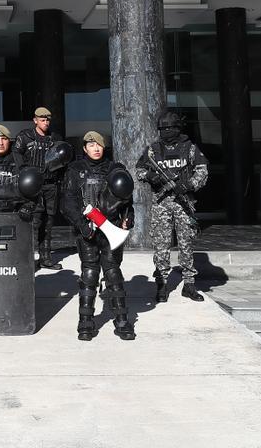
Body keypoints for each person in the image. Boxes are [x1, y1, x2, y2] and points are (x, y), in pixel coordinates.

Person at [61, 132, 135, 341]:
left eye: (99, 145)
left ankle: (122, 321)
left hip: (110, 229)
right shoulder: (75, 170)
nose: (96, 148)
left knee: (113, 273)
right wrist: (82, 225)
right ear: (84, 148)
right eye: (91, 145)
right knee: (89, 274)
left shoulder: (115, 168)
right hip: (88, 231)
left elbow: (127, 200)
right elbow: (68, 203)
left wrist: (128, 219)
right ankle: (85, 322)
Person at [136, 110, 208, 303]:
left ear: (178, 128)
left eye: (170, 128)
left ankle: (189, 284)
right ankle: (161, 282)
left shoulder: (190, 148)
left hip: (183, 200)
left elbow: (202, 171)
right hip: (161, 202)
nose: (166, 131)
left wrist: (189, 185)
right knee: (161, 243)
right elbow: (139, 169)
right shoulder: (152, 150)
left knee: (186, 242)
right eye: (163, 128)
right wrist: (151, 176)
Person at [14, 106, 64, 270]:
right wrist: (23, 174)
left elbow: (62, 159)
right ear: (35, 120)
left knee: (48, 223)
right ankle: (26, 258)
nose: (45, 122)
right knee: (32, 221)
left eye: (47, 120)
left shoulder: (55, 138)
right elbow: (17, 155)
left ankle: (45, 258)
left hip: (50, 184)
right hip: (32, 186)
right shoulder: (25, 136)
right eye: (42, 120)